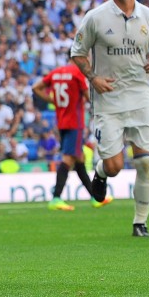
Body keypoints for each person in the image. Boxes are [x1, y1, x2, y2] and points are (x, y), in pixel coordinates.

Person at [70, 0, 149, 237]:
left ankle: (140, 222)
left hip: (140, 96)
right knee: (115, 166)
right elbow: (77, 53)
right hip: (108, 99)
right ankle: (102, 173)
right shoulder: (95, 17)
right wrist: (93, 78)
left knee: (145, 162)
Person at [33, 62, 110, 211]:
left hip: (61, 121)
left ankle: (94, 197)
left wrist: (53, 101)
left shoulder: (55, 73)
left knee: (79, 158)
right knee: (68, 158)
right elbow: (89, 97)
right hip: (75, 122)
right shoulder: (77, 73)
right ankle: (56, 198)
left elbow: (36, 87)